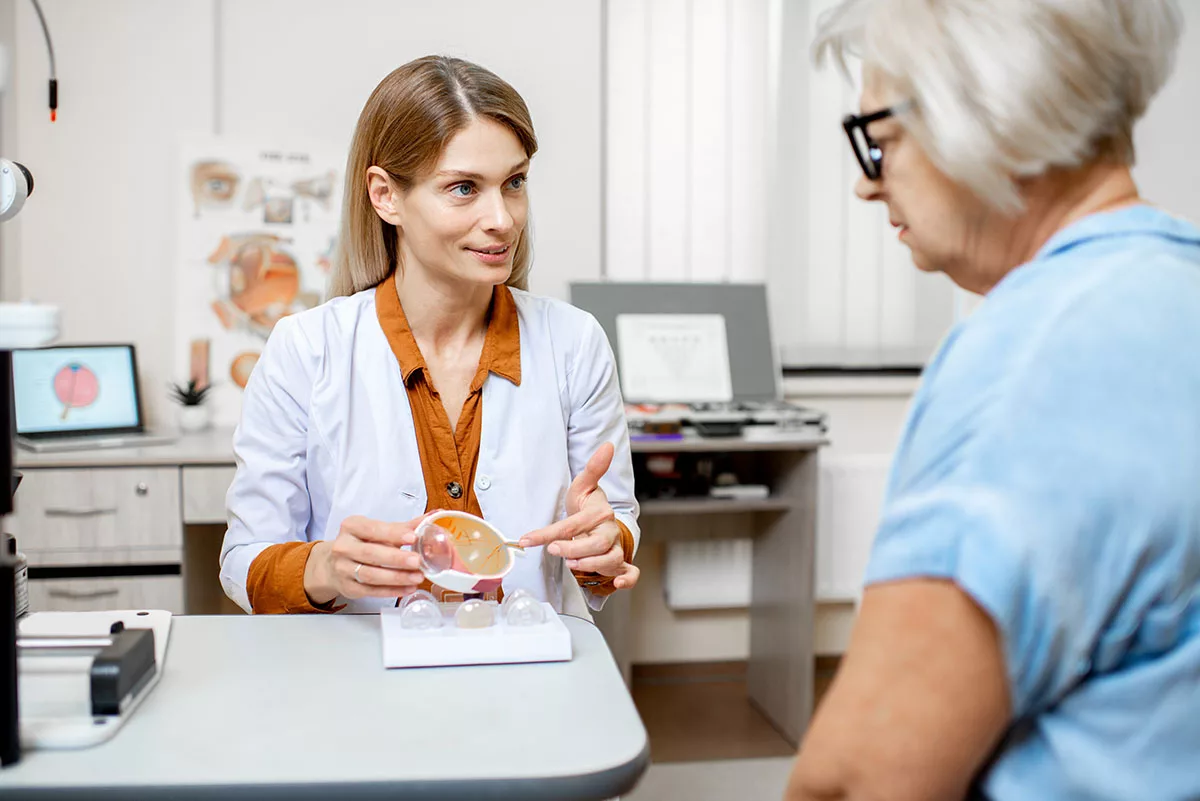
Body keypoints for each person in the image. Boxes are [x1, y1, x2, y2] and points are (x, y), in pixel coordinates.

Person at [787, 2, 1200, 800]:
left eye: (883, 138)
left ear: (990, 111)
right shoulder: (1175, 287)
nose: (867, 183)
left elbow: (858, 781)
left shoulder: (1037, 355)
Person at [220, 56, 640, 617]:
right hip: (360, 681)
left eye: (514, 183)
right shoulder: (306, 348)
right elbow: (245, 561)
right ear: (385, 195)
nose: (503, 218)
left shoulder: (574, 341)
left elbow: (616, 525)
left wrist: (604, 542)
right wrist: (326, 567)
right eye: (464, 188)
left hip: (529, 674)